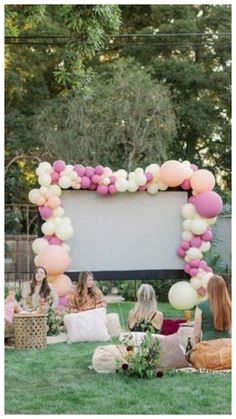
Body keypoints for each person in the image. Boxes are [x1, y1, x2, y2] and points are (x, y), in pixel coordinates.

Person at [193, 274, 231, 344]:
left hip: (208, 347)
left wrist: (196, 348)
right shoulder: (230, 306)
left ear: (209, 288)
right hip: (227, 346)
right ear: (223, 288)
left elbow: (196, 336)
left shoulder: (201, 306)